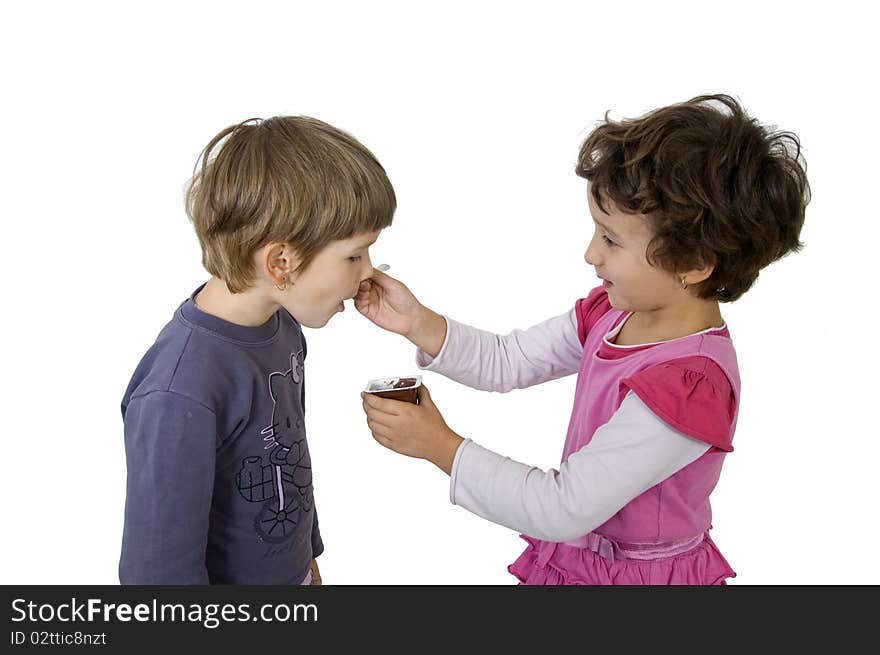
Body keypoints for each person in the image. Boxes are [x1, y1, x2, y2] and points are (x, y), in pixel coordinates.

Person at [359, 95, 809, 584]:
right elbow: (507, 360)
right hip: (580, 563)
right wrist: (417, 321)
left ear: (694, 264)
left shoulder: (688, 385)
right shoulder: (612, 313)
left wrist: (439, 446)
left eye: (611, 240)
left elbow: (563, 507)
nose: (590, 254)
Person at [120, 115, 395, 584]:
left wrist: (308, 556)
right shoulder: (179, 389)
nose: (369, 272)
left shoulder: (280, 328)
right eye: (354, 255)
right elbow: (157, 573)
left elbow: (288, 453)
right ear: (281, 262)